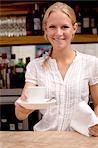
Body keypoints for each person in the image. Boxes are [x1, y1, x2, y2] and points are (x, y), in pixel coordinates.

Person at [15, 2, 98, 136]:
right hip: (44, 140)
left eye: (65, 27)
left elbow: (97, 103)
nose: (58, 33)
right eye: (52, 27)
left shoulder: (91, 63)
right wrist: (22, 109)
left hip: (79, 139)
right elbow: (20, 114)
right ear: (46, 29)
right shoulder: (35, 67)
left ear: (74, 28)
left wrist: (95, 125)